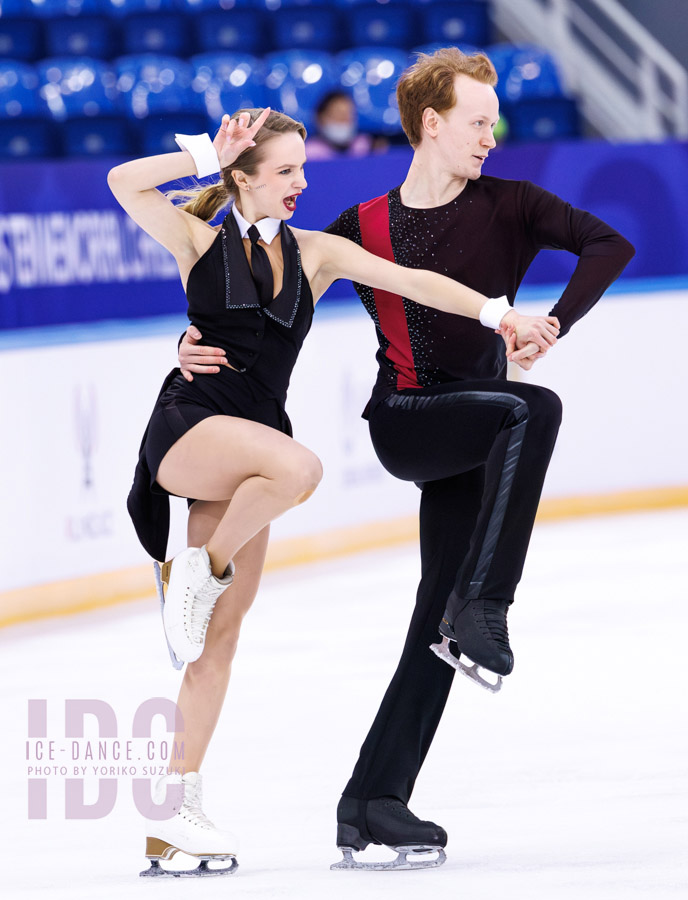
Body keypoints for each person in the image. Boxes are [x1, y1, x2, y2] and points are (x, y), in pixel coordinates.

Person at [178, 48, 635, 871]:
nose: (491, 136)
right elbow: (259, 298)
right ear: (432, 124)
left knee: (436, 619)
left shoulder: (514, 204)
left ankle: (373, 801)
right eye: (476, 122)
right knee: (534, 411)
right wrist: (192, 345)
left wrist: (554, 322)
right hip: (408, 419)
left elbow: (608, 243)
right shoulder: (361, 225)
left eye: (492, 123)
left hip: (479, 426)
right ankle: (487, 607)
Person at [109, 104, 559, 877]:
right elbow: (123, 182)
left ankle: (172, 817)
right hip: (191, 429)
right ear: (242, 176)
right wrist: (201, 153)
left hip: (250, 448)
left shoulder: (316, 252)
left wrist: (497, 313)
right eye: (284, 171)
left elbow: (412, 279)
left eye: (303, 169)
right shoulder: (198, 238)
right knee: (301, 469)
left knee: (217, 642)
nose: (301, 183)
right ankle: (194, 572)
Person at [305, 90, 388, 161]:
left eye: (348, 114)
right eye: (338, 114)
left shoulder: (366, 147)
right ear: (321, 117)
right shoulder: (308, 152)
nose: (344, 120)